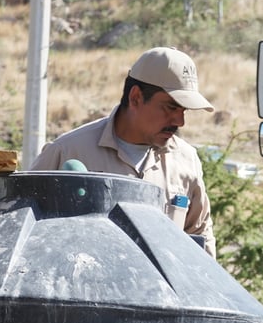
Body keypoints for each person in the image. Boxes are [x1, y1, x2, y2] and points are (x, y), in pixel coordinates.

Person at [30, 47, 217, 256]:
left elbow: (199, 235)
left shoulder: (186, 160)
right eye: (171, 107)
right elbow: (28, 232)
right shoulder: (68, 152)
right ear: (136, 97)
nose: (179, 121)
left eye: (184, 111)